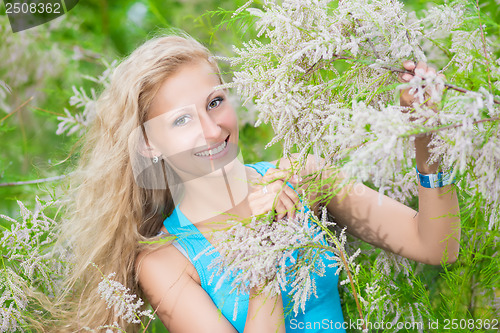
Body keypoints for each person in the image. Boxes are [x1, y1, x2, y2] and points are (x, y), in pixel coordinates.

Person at [59, 34, 461, 332]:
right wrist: (261, 246)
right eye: (181, 121)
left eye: (214, 102)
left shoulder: (303, 174)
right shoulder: (165, 261)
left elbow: (438, 244)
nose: (212, 131)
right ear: (148, 146)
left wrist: (425, 131)